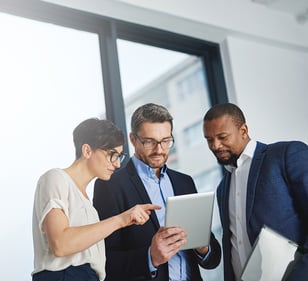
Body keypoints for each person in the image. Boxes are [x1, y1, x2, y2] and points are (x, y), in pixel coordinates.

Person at [93, 103, 221, 281]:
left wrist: (203, 248)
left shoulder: (184, 183)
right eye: (149, 142)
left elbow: (213, 259)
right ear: (133, 139)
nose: (159, 150)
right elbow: (104, 261)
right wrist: (150, 257)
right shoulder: (110, 185)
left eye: (166, 141)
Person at [32, 118, 161, 281]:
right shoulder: (56, 178)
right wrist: (122, 220)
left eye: (119, 156)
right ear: (87, 151)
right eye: (112, 155)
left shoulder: (89, 205)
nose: (117, 164)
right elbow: (60, 244)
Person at [202, 102, 308, 281]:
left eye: (222, 137)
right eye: (209, 140)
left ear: (243, 130)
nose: (215, 145)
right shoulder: (222, 188)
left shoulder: (285, 155)